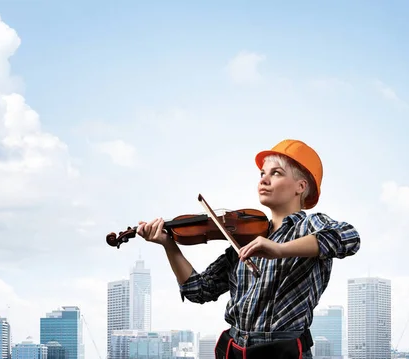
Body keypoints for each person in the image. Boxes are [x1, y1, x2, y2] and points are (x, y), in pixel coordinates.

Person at [136, 139, 361, 359]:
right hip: (234, 349)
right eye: (262, 173)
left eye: (277, 173)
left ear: (300, 187)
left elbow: (348, 238)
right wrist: (169, 244)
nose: (264, 179)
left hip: (283, 351)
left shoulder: (309, 225)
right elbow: (199, 289)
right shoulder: (246, 238)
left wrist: (279, 249)